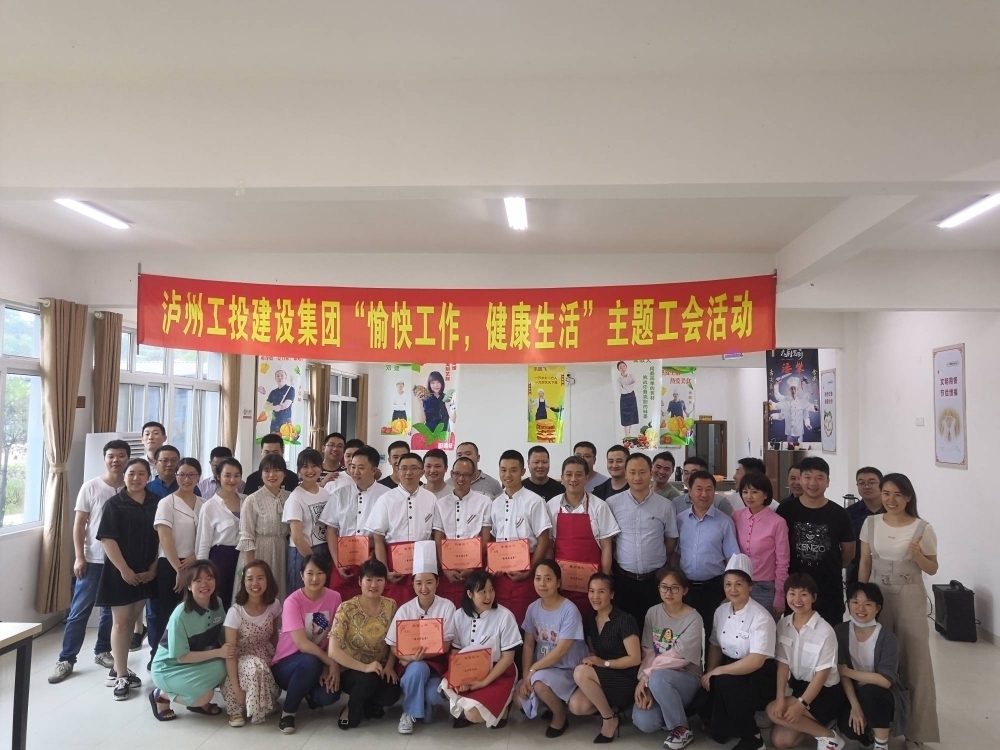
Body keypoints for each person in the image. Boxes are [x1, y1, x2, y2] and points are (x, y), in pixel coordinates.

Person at [858, 473, 939, 745]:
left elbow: (932, 568)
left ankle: (917, 732)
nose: (891, 500)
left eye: (898, 494)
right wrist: (859, 599)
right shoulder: (870, 523)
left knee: (914, 661)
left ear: (908, 497)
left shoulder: (922, 528)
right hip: (877, 593)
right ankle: (879, 723)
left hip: (909, 594)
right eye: (886, 493)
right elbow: (864, 563)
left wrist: (917, 555)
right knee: (874, 657)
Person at [49, 439, 129, 684]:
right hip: (93, 559)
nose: (116, 460)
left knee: (110, 612)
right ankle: (66, 659)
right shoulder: (91, 487)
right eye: (111, 456)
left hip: (120, 561)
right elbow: (79, 524)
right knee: (78, 612)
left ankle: (102, 650)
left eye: (121, 455)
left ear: (127, 458)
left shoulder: (132, 487)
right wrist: (79, 556)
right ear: (105, 459)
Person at [95, 458, 161, 700]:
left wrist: (154, 567)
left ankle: (118, 667)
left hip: (146, 572)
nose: (136, 478)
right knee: (121, 623)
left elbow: (162, 537)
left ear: (148, 477)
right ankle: (121, 675)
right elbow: (107, 539)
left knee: (133, 618)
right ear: (124, 476)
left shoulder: (157, 502)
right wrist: (124, 569)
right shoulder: (114, 504)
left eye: (141, 473)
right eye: (131, 473)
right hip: (120, 572)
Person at [699, 554, 777, 750]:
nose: (732, 590)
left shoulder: (761, 617)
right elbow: (715, 644)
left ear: (750, 586)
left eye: (739, 584)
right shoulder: (721, 611)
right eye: (728, 584)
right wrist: (710, 672)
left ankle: (753, 738)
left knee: (724, 682)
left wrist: (719, 671)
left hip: (758, 674)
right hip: (729, 665)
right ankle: (727, 724)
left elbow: (756, 661)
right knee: (702, 697)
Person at [766, 573, 847, 749]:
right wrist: (780, 698)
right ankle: (822, 728)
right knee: (780, 741)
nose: (797, 599)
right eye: (792, 593)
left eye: (803, 594)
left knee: (771, 711)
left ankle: (830, 738)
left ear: (814, 597)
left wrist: (800, 705)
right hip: (800, 687)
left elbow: (822, 675)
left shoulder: (825, 631)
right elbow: (783, 665)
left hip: (826, 693)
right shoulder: (783, 625)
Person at [386, 541, 457, 734]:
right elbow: (393, 645)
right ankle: (409, 713)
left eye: (429, 582)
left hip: (437, 666)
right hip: (412, 667)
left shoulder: (447, 607)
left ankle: (423, 703)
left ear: (437, 583)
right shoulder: (405, 610)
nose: (424, 588)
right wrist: (410, 658)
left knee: (434, 697)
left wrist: (420, 655)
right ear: (413, 584)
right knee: (418, 668)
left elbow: (446, 644)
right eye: (418, 583)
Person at [514, 560, 590, 737]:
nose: (542, 583)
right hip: (542, 668)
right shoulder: (532, 608)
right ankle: (552, 702)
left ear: (558, 583)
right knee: (518, 699)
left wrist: (533, 671)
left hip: (566, 668)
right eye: (538, 578)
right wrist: (526, 677)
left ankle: (560, 717)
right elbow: (529, 645)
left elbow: (562, 650)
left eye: (548, 579)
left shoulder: (569, 610)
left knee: (538, 683)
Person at [776, 456, 854, 626]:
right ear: (800, 479)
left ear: (828, 481)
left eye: (819, 477)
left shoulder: (840, 514)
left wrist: (831, 565)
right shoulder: (786, 510)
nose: (813, 483)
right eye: (807, 477)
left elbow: (849, 552)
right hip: (795, 588)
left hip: (828, 589)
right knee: (794, 633)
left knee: (830, 634)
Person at [270, 554, 343, 735]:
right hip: (287, 665)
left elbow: (336, 635)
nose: (315, 578)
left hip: (318, 661)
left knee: (329, 695)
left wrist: (328, 666)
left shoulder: (335, 598)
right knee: (309, 662)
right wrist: (330, 662)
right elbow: (302, 644)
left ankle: (308, 692)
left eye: (320, 573)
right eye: (310, 573)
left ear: (326, 575)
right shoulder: (292, 602)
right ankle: (288, 713)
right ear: (302, 575)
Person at [631, 567, 703, 750]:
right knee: (643, 721)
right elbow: (648, 650)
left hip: (686, 677)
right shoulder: (652, 613)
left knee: (659, 678)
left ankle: (682, 728)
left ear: (684, 590)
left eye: (675, 588)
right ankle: (673, 713)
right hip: (655, 677)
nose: (668, 592)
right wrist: (646, 683)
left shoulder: (694, 618)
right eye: (664, 587)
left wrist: (648, 677)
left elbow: (677, 657)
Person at [148, 560, 231, 720]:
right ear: (189, 586)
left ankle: (195, 697)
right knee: (205, 696)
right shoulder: (181, 614)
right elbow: (182, 657)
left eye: (209, 578)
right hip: (168, 668)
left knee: (225, 665)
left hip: (194, 664)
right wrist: (219, 652)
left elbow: (222, 633)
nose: (204, 584)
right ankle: (162, 695)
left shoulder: (218, 603)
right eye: (198, 580)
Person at [440, 570, 522, 728]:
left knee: (473, 715)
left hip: (499, 672)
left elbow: (508, 659)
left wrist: (484, 682)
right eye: (482, 592)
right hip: (468, 669)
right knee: (446, 685)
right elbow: (456, 652)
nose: (488, 596)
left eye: (491, 590)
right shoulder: (458, 616)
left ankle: (503, 708)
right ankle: (474, 706)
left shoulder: (505, 616)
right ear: (470, 594)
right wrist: (459, 678)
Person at [606, 457, 679, 629]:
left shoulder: (665, 505)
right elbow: (609, 540)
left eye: (642, 472)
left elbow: (671, 540)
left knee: (656, 628)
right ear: (625, 474)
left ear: (651, 473)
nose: (637, 477)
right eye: (632, 472)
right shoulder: (612, 503)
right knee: (625, 628)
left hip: (655, 580)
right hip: (624, 579)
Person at [329, 559, 402, 729]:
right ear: (359, 581)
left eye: (379, 580)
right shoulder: (346, 608)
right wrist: (365, 667)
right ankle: (351, 709)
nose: (373, 585)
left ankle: (367, 703)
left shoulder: (391, 606)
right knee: (366, 681)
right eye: (368, 580)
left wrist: (390, 665)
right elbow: (333, 651)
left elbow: (395, 640)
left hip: (380, 667)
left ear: (385, 582)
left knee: (391, 694)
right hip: (351, 668)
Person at [569, 573, 641, 744]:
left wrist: (604, 663)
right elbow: (593, 652)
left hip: (626, 678)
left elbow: (635, 659)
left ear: (612, 594)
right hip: (603, 675)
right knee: (576, 706)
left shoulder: (625, 619)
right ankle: (613, 710)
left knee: (580, 672)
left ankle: (609, 719)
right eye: (591, 591)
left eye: (601, 592)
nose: (595, 596)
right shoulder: (590, 619)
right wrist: (593, 660)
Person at [836, 583, 910, 750]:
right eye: (855, 602)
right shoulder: (840, 631)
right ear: (848, 605)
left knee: (871, 693)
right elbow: (842, 675)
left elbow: (885, 681)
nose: (860, 608)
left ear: (878, 609)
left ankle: (881, 744)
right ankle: (869, 732)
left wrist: (847, 671)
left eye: (868, 604)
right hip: (854, 692)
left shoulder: (888, 638)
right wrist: (855, 707)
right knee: (849, 728)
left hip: (881, 692)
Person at [547, 455, 621, 616]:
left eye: (579, 474)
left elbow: (607, 546)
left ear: (586, 478)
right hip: (562, 579)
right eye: (569, 474)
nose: (573, 479)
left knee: (591, 620)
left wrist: (604, 579)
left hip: (592, 582)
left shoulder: (599, 506)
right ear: (562, 477)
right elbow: (549, 544)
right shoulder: (551, 506)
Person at [367, 452, 444, 605]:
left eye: (414, 468)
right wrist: (385, 571)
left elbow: (437, 534)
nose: (408, 473)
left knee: (424, 606)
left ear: (422, 472)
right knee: (397, 606)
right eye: (403, 468)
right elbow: (378, 538)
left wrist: (437, 564)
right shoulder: (386, 500)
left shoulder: (431, 498)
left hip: (424, 564)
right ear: (397, 471)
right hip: (395, 567)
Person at [150, 458, 206, 665]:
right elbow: (164, 538)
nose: (186, 479)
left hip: (197, 563)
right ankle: (161, 659)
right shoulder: (167, 503)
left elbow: (206, 536)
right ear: (176, 476)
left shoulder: (203, 504)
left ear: (198, 477)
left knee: (192, 614)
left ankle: (189, 657)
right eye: (182, 474)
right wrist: (179, 570)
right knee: (168, 614)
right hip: (171, 565)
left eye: (192, 475)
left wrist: (195, 557)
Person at [674, 470, 740, 639]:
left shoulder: (725, 522)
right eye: (699, 489)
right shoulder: (680, 520)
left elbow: (732, 560)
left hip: (713, 588)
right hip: (685, 587)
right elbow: (675, 554)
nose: (704, 494)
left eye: (709, 489)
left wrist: (729, 590)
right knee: (685, 633)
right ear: (690, 490)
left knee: (713, 633)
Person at [490, 449, 552, 624]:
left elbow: (544, 540)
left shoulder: (534, 501)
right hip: (501, 574)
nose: (507, 475)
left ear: (523, 471)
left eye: (513, 470)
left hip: (527, 570)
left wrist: (530, 570)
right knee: (502, 620)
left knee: (526, 619)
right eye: (503, 470)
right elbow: (494, 538)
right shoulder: (495, 503)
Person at [220, 560, 283, 727]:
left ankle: (263, 705)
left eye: (260, 578)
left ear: (268, 580)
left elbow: (274, 636)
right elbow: (229, 652)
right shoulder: (235, 612)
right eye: (249, 579)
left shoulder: (274, 605)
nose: (255, 583)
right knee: (255, 667)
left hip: (266, 654)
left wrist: (276, 659)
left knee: (267, 668)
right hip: (241, 659)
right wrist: (236, 688)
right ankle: (236, 708)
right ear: (243, 582)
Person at [321, 445, 388, 600]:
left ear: (374, 470)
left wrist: (375, 554)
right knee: (340, 602)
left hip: (373, 560)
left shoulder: (387, 496)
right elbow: (331, 531)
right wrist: (338, 562)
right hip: (344, 559)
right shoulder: (339, 495)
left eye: (361, 468)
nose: (355, 472)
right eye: (353, 467)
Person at [433, 455, 492, 607]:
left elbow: (486, 537)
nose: (461, 478)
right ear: (451, 474)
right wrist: (445, 568)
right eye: (457, 474)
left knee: (475, 608)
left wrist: (472, 567)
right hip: (448, 569)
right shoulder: (440, 504)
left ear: (473, 476)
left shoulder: (484, 502)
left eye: (466, 475)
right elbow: (438, 538)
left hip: (475, 568)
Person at [732, 473, 790, 617]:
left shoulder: (778, 522)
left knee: (765, 628)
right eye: (745, 492)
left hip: (765, 588)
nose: (748, 496)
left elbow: (782, 562)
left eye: (754, 492)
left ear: (765, 495)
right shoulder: (736, 517)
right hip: (739, 585)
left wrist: (780, 596)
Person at [238, 452, 291, 599]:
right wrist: (250, 569)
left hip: (282, 551)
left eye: (277, 470)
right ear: (261, 475)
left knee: (279, 593)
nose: (272, 475)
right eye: (267, 470)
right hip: (259, 552)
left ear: (284, 474)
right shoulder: (252, 500)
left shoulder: (290, 497)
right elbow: (246, 537)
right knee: (258, 593)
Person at [195, 457, 245, 609]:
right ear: (218, 477)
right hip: (220, 560)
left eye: (236, 475)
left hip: (244, 557)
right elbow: (203, 543)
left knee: (242, 600)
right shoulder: (209, 506)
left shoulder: (247, 501)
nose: (232, 480)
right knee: (220, 601)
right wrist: (202, 572)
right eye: (227, 475)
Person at [282, 448, 330, 593]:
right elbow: (297, 538)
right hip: (303, 553)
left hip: (324, 550)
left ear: (321, 467)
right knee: (303, 595)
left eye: (314, 465)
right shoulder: (296, 497)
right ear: (298, 470)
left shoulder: (325, 494)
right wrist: (313, 561)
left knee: (322, 595)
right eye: (305, 466)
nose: (310, 470)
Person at [846, 466, 884, 586]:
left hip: (887, 571)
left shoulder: (892, 510)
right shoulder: (849, 513)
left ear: (882, 484)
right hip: (856, 571)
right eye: (861, 483)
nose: (866, 486)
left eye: (871, 482)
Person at [770, 376, 819, 449]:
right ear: (789, 389)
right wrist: (776, 384)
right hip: (789, 433)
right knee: (790, 451)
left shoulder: (802, 401)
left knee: (799, 450)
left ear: (797, 389)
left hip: (799, 432)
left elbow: (809, 411)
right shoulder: (785, 400)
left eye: (795, 388)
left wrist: (808, 424)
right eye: (792, 388)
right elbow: (781, 415)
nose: (793, 390)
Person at [266, 368, 296, 434]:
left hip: (285, 421)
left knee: (284, 440)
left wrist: (279, 407)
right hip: (274, 421)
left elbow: (286, 405)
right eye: (278, 376)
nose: (280, 377)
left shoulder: (291, 389)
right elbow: (266, 406)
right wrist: (274, 407)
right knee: (272, 440)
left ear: (285, 378)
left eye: (282, 376)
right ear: (275, 379)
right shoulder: (273, 392)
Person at [615, 361, 639, 437]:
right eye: (620, 367)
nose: (623, 368)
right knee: (626, 418)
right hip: (624, 399)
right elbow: (621, 391)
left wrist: (625, 387)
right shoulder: (619, 379)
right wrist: (630, 387)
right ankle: (627, 437)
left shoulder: (631, 376)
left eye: (624, 366)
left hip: (632, 398)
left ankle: (629, 434)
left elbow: (635, 385)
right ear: (618, 369)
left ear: (626, 367)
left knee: (631, 417)